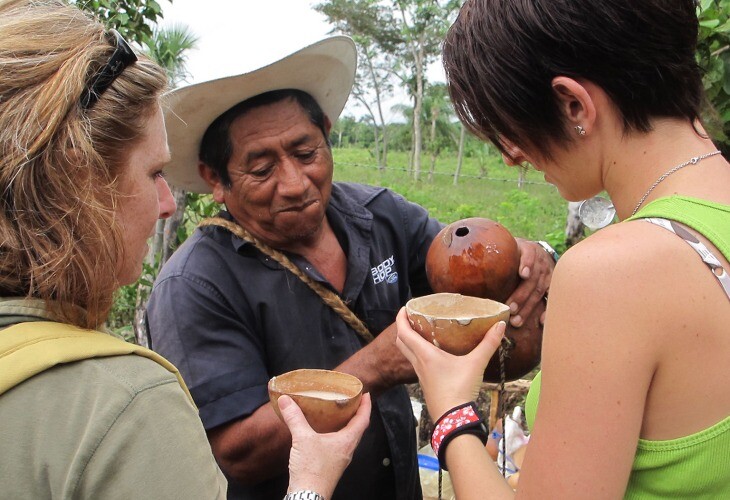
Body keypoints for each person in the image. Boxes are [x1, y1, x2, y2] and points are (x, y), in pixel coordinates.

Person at [145, 36, 555, 500]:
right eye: (261, 170)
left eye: (306, 153)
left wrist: (522, 254)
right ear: (215, 179)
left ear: (325, 130)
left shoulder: (381, 217)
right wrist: (376, 366)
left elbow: (460, 266)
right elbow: (238, 453)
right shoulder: (196, 284)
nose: (296, 184)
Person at [0, 2, 369, 499]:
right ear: (79, 185)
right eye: (154, 173)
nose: (169, 203)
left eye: (306, 153)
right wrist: (310, 483)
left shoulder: (376, 213)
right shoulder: (126, 404)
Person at [392, 0, 730, 499]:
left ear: (573, 104)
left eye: (509, 129)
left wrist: (450, 413)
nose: (512, 158)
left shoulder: (614, 273)